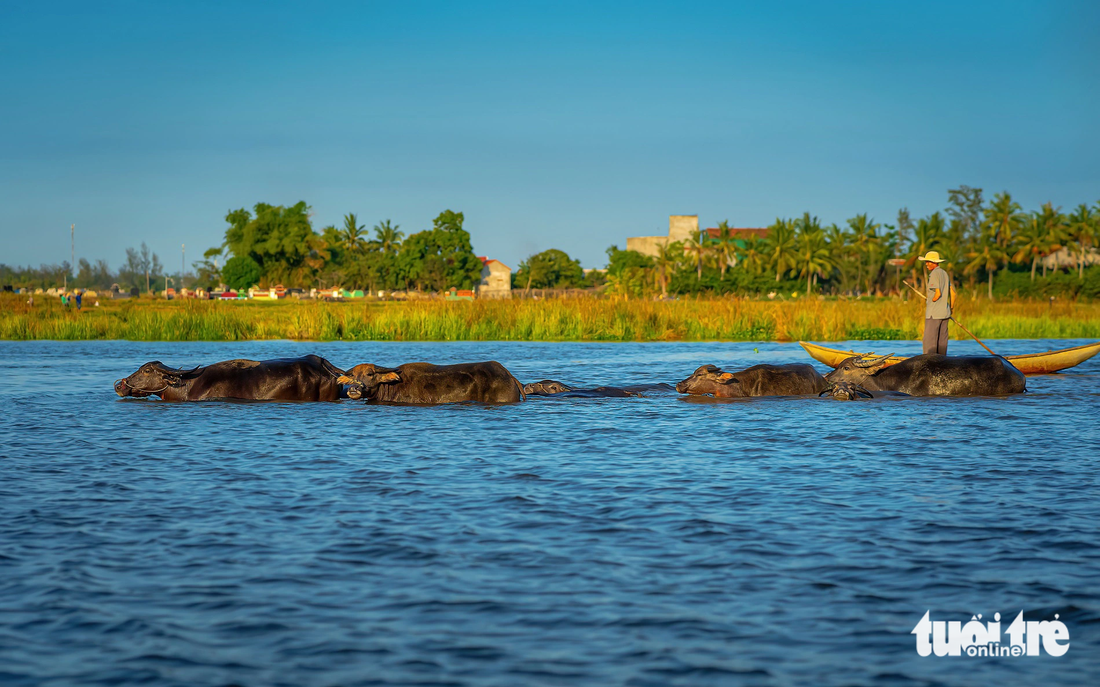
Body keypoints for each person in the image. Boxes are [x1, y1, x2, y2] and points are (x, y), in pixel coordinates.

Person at [918, 251, 956, 355]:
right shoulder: (944, 273)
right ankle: (942, 363)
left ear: (935, 263)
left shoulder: (934, 274)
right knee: (942, 343)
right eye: (926, 262)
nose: (927, 264)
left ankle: (929, 364)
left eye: (929, 262)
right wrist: (951, 308)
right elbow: (953, 293)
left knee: (929, 343)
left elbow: (937, 294)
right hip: (945, 314)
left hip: (933, 314)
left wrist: (931, 300)